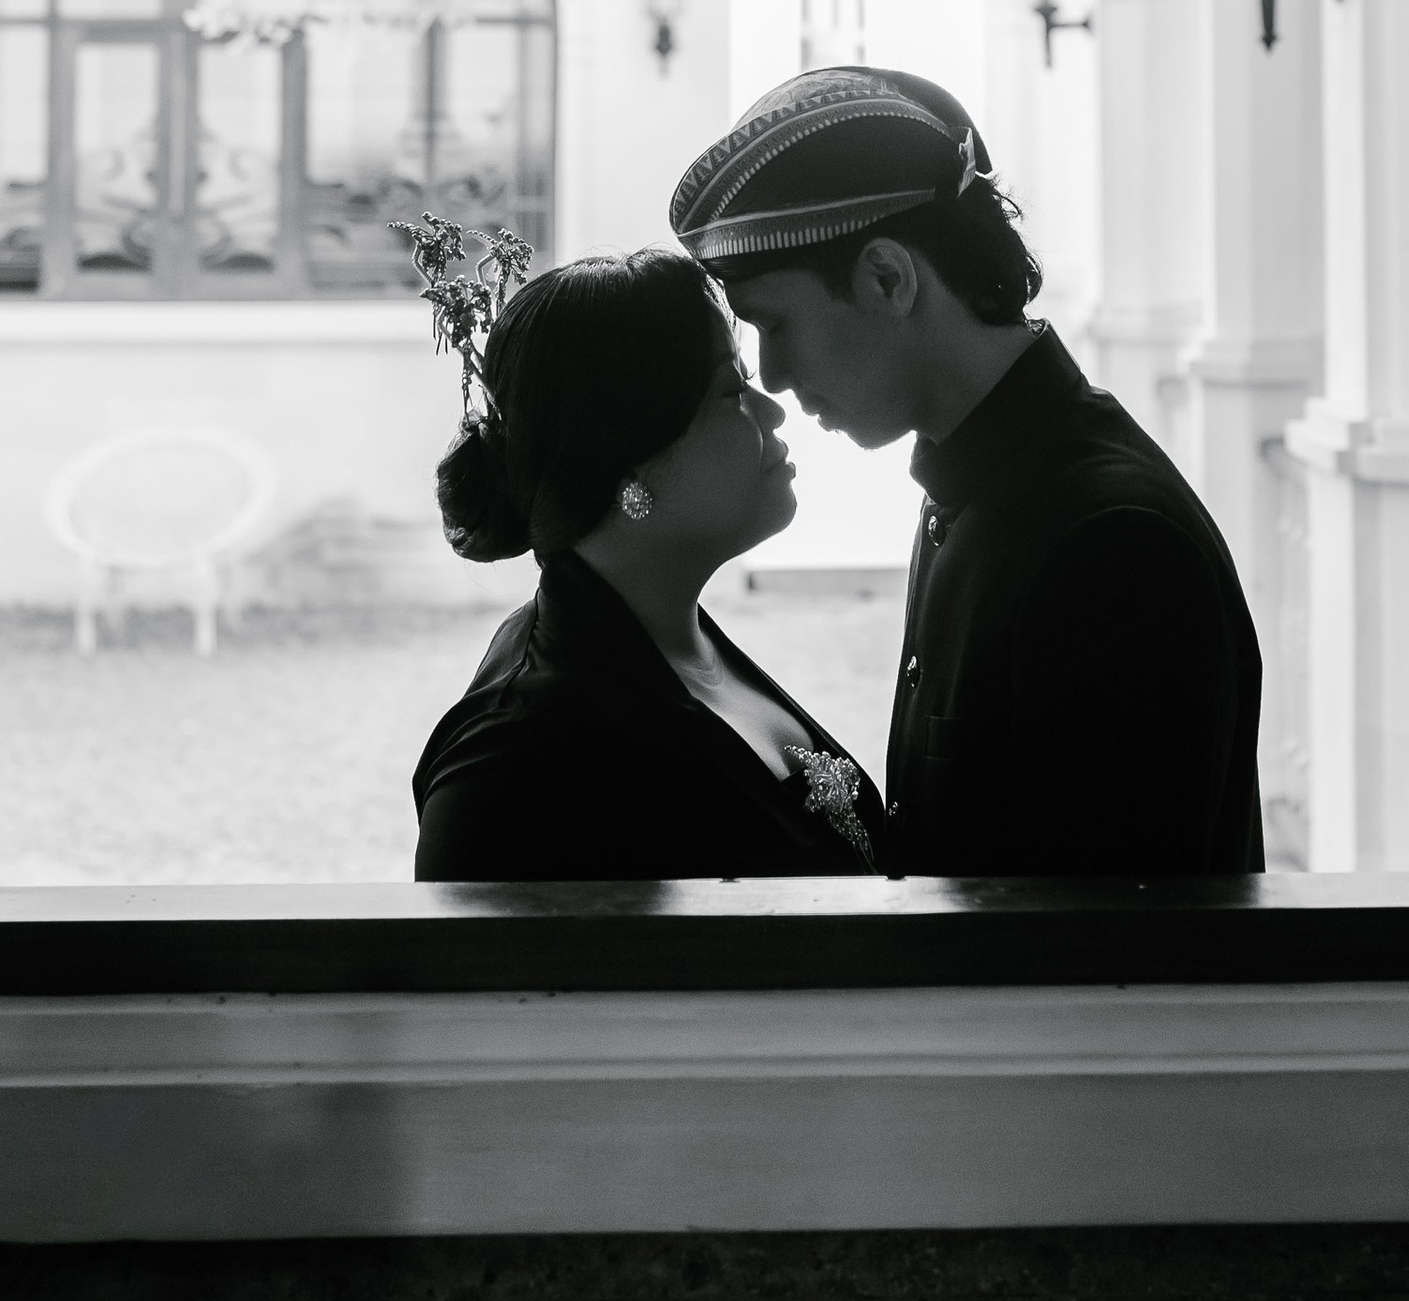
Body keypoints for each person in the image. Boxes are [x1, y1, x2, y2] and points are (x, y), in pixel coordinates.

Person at [671, 67, 1263, 880]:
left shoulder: (1109, 544)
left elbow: (1111, 944)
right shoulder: (986, 480)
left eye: (775, 325)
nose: (769, 375)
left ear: (889, 278)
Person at [411, 248, 887, 882]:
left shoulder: (675, 636)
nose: (773, 409)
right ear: (627, 465)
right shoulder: (514, 760)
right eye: (730, 391)